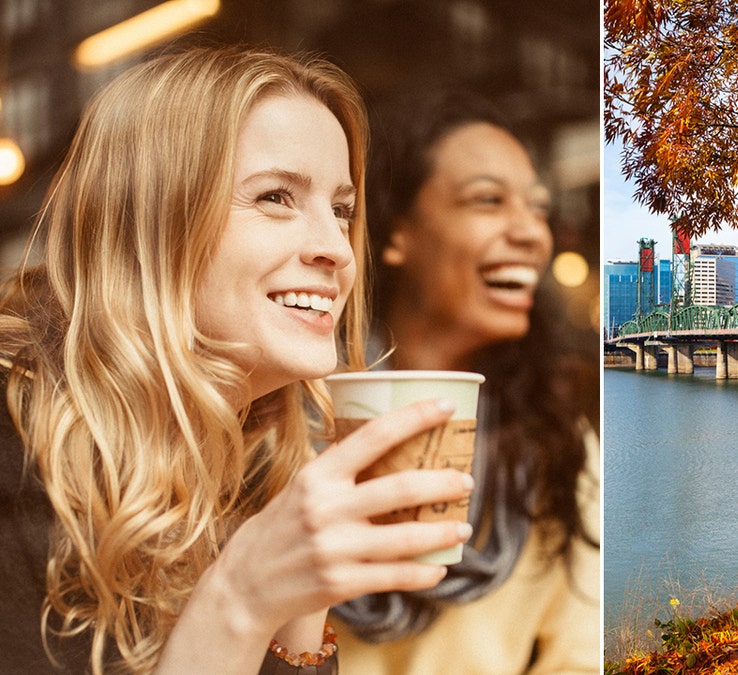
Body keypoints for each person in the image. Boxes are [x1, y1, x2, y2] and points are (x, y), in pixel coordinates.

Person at [0, 46, 477, 674]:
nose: (336, 248)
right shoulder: (16, 453)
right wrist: (242, 598)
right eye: (277, 197)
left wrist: (301, 606)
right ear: (154, 221)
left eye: (341, 210)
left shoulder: (257, 469)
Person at [331, 93, 601, 672]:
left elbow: (579, 656)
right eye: (488, 200)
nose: (533, 233)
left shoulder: (559, 441)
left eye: (537, 208)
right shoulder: (288, 418)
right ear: (397, 231)